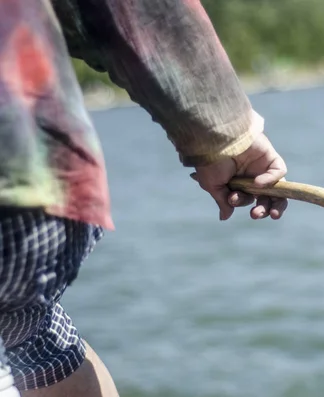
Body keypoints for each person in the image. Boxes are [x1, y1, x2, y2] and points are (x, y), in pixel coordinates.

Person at [0, 1, 288, 396]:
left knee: (28, 327)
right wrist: (225, 137)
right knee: (32, 329)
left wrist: (225, 138)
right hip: (29, 178)